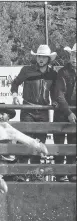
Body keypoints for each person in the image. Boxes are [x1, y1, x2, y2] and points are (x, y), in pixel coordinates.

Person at [10, 44, 58, 182]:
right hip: (28, 110)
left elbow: (55, 92)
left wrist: (55, 102)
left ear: (49, 59)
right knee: (25, 141)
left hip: (43, 111)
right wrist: (14, 95)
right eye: (39, 56)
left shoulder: (53, 74)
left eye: (44, 57)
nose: (41, 59)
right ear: (36, 57)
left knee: (40, 144)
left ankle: (37, 175)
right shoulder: (26, 70)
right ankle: (20, 173)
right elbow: (15, 84)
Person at [52, 43, 76, 182]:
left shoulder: (63, 72)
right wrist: (68, 112)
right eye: (73, 55)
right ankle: (60, 174)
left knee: (73, 144)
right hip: (63, 113)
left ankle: (72, 172)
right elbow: (59, 94)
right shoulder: (63, 72)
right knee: (59, 145)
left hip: (72, 113)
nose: (74, 58)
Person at [0, 104, 17, 181]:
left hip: (8, 164)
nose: (0, 116)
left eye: (2, 114)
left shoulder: (12, 131)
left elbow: (13, 156)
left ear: (8, 117)